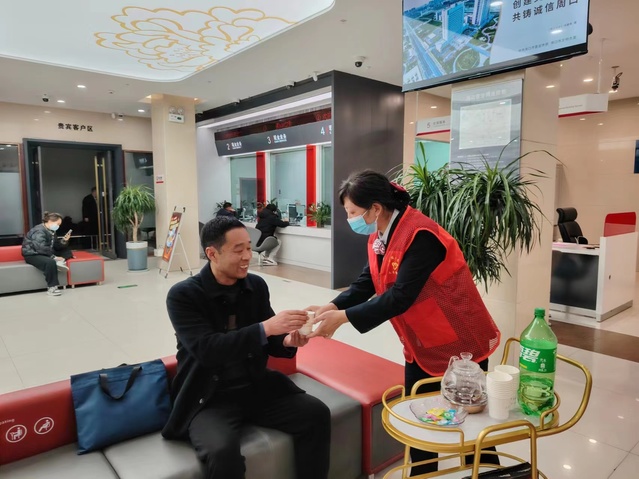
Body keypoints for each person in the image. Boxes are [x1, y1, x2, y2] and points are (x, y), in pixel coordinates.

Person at [307, 170, 501, 476]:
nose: (349, 219)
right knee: (420, 419)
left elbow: (400, 296)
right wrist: (332, 306)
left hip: (459, 340)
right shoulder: (379, 235)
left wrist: (343, 318)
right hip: (420, 341)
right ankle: (421, 473)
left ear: (375, 208)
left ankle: (487, 473)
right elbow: (367, 282)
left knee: (471, 423)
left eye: (353, 212)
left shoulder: (421, 235)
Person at [162, 216, 330, 479]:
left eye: (249, 248)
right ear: (212, 254)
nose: (247, 256)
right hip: (209, 398)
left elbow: (272, 340)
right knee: (221, 453)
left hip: (256, 387)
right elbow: (207, 350)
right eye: (238, 250)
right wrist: (266, 328)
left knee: (316, 413)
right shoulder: (184, 295)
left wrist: (288, 341)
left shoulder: (256, 286)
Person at [22, 212, 74, 296]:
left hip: (46, 251)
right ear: (50, 221)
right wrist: (54, 257)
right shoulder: (39, 231)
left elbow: (56, 246)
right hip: (33, 254)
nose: (58, 226)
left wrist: (64, 240)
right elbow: (40, 247)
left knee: (67, 251)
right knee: (50, 262)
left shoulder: (51, 231)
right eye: (57, 224)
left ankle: (59, 262)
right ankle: (52, 287)